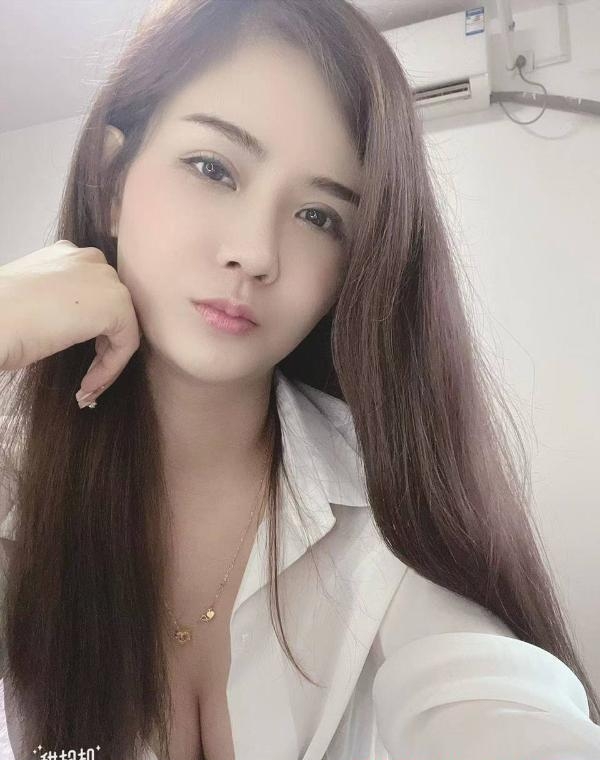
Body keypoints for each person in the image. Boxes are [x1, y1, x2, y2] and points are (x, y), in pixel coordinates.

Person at [0, 1, 599, 759]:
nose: (255, 252)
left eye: (319, 217)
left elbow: (498, 707)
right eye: (213, 168)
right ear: (109, 179)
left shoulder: (386, 510)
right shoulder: (17, 481)